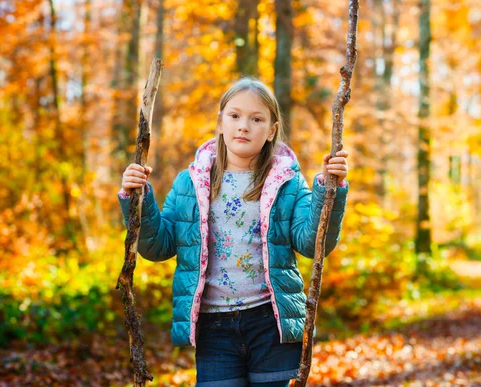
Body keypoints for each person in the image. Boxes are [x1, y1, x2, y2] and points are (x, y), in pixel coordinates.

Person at [118, 77, 349, 387]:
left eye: (256, 119)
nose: (244, 126)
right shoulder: (191, 183)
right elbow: (158, 246)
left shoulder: (287, 183)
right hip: (214, 326)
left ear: (271, 130)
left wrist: (329, 191)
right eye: (235, 116)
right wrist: (138, 200)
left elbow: (311, 243)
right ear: (221, 121)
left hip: (271, 321)